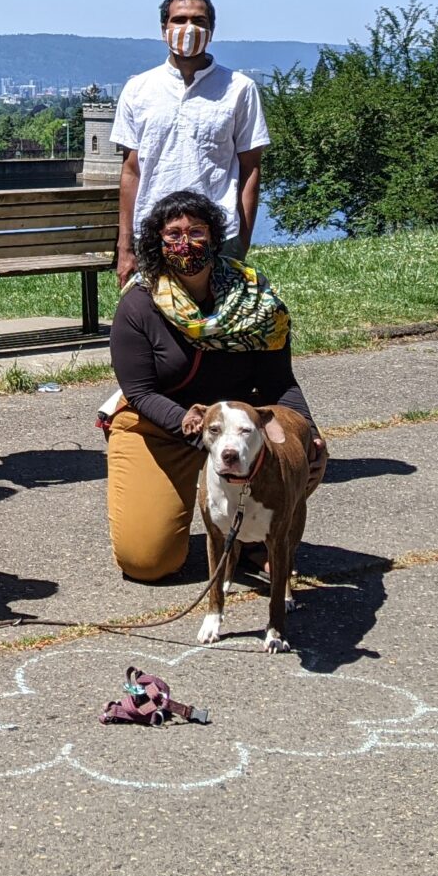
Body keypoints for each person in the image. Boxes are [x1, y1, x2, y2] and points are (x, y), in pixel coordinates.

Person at [103, 189, 323, 582]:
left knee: (305, 452)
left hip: (239, 428)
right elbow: (139, 392)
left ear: (215, 237)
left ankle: (255, 535)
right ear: (158, 243)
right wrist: (195, 428)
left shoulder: (255, 300)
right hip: (162, 426)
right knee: (147, 561)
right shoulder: (139, 304)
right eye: (173, 234)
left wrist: (309, 432)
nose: (185, 243)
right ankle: (211, 518)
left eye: (196, 231)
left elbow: (278, 382)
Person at [112, 0, 268, 284]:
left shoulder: (239, 89)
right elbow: (131, 171)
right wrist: (125, 245)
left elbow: (251, 168)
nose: (189, 28)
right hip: (154, 234)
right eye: (179, 20)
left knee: (216, 326)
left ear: (211, 30)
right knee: (157, 324)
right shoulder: (138, 89)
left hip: (218, 235)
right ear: (164, 28)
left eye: (199, 21)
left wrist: (242, 242)